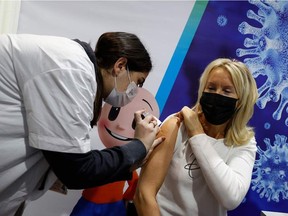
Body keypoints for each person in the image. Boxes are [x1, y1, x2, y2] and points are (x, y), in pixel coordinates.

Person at [0, 32, 163, 216]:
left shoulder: (78, 71)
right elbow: (76, 169)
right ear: (120, 65)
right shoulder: (72, 70)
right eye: (138, 83)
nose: (136, 92)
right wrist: (138, 147)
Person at [134, 58, 258, 216]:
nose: (216, 95)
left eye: (227, 91)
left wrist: (197, 134)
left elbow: (231, 198)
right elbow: (144, 195)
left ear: (240, 101)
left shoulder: (243, 142)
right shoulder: (176, 125)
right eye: (211, 88)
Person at [70, 87, 160, 216]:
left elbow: (134, 183)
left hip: (113, 205)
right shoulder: (99, 158)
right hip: (90, 202)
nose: (121, 126)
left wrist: (125, 198)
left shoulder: (127, 161)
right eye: (114, 112)